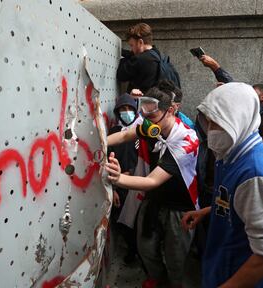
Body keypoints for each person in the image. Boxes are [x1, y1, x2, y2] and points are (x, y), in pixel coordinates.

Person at [182, 82, 263, 288]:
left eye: (219, 123)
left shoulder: (258, 174)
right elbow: (237, 202)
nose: (211, 130)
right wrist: (208, 211)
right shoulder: (230, 156)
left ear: (240, 120)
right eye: (210, 122)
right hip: (223, 266)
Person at [105, 87, 199, 288]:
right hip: (154, 199)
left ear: (171, 110)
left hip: (180, 205)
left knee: (176, 257)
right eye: (145, 115)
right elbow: (124, 136)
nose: (148, 121)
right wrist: (100, 144)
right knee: (145, 247)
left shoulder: (186, 139)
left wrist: (115, 178)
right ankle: (157, 278)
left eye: (153, 116)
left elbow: (152, 180)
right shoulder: (152, 124)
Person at [107, 93, 139, 264]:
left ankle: (138, 252)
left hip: (137, 185)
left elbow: (145, 160)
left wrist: (131, 173)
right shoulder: (113, 132)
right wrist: (113, 189)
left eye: (129, 109)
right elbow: (107, 159)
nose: (126, 112)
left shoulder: (141, 131)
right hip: (119, 187)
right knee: (122, 223)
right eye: (122, 109)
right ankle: (131, 250)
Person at [116, 23, 162, 96]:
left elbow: (121, 75)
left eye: (132, 45)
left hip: (139, 102)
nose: (131, 50)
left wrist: (123, 59)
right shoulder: (156, 54)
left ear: (140, 42)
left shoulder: (140, 59)